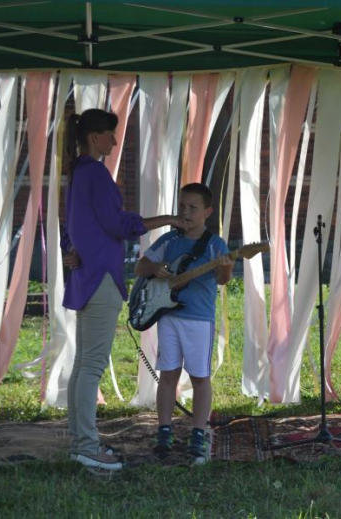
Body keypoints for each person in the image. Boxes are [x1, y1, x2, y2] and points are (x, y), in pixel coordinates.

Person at [61, 109, 186, 471]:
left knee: (83, 364)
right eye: (111, 135)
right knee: (91, 366)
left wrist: (71, 249)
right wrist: (168, 219)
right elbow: (117, 224)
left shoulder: (78, 172)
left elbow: (72, 226)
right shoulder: (95, 173)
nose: (115, 142)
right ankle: (87, 446)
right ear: (95, 137)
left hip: (87, 276)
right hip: (99, 277)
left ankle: (79, 442)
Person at [135, 183, 233, 464]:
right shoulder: (169, 240)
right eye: (182, 207)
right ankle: (164, 430)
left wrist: (226, 266)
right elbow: (140, 267)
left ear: (207, 212)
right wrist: (156, 268)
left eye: (193, 208)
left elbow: (223, 280)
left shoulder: (216, 245)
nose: (186, 213)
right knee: (168, 374)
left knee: (200, 377)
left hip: (199, 319)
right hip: (168, 316)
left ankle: (198, 432)